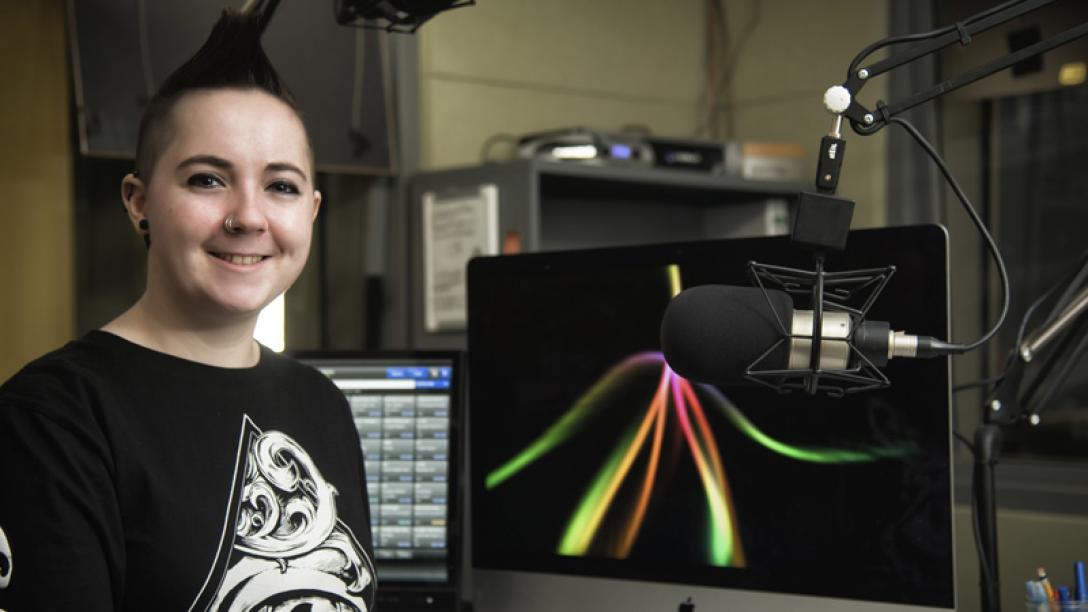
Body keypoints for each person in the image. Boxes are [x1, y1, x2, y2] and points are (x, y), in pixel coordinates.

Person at [0, 10, 376, 611]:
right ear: (139, 202)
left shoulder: (322, 404)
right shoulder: (54, 417)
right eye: (207, 179)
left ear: (311, 209)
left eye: (281, 186)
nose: (248, 216)